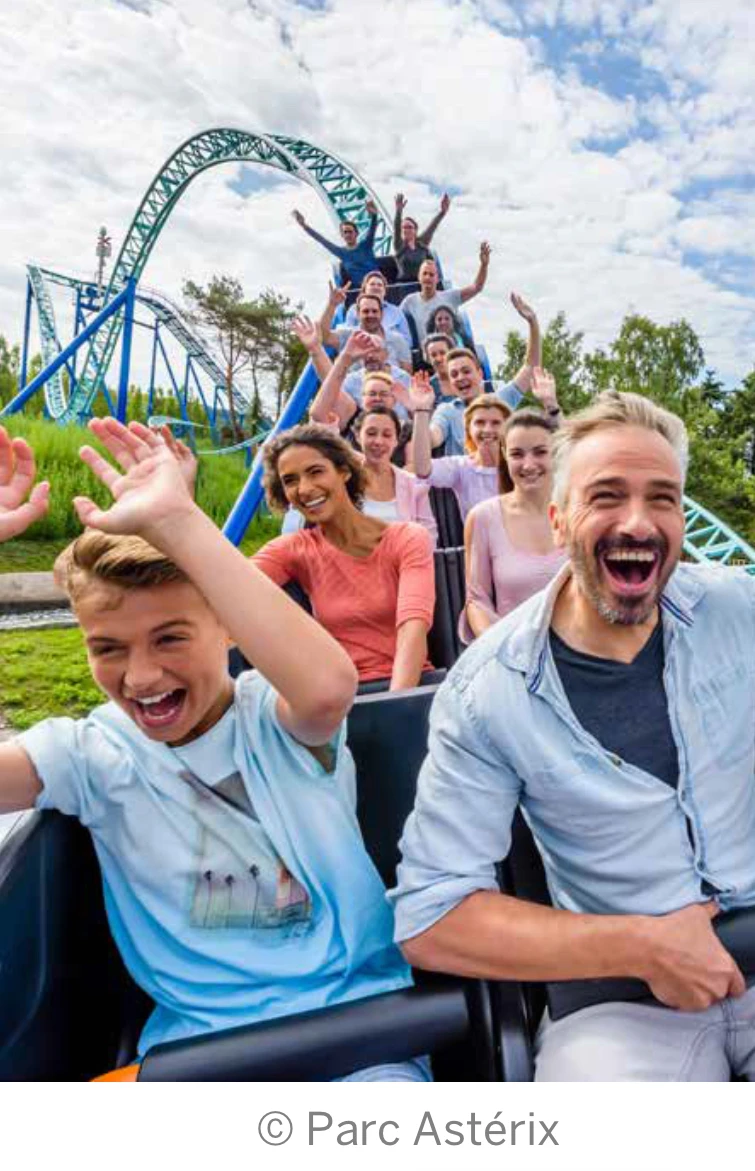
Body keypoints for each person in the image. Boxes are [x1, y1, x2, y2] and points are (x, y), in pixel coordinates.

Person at [0, 421, 429, 1082]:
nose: (140, 676)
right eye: (107, 648)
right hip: (198, 1059)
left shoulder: (273, 718)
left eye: (170, 638)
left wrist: (179, 520)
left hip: (355, 1036)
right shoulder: (89, 753)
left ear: (228, 624)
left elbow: (327, 687)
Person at [391, 389, 755, 1082]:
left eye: (663, 499)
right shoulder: (486, 691)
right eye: (606, 496)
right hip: (619, 1003)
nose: (637, 523)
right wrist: (643, 946)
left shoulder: (736, 611)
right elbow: (432, 917)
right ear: (557, 521)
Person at [255, 424, 436, 691]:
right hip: (340, 695)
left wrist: (396, 704)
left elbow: (413, 627)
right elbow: (225, 584)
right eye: (290, 480)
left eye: (315, 472)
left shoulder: (407, 538)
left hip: (407, 685)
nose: (304, 489)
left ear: (344, 472)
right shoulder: (294, 549)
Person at [461, 403, 566, 642]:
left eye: (540, 452)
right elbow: (477, 601)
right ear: (504, 457)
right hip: (514, 651)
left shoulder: (578, 511)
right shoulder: (483, 518)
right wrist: (500, 648)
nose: (528, 465)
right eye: (517, 454)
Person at [428, 294, 547, 457]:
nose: (460, 377)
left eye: (466, 371)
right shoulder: (447, 411)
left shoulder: (501, 400)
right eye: (454, 374)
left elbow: (531, 367)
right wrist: (420, 413)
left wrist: (532, 322)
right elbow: (433, 438)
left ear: (480, 373)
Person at [411, 382, 511, 521]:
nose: (487, 430)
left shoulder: (519, 464)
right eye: (480, 423)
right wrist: (421, 410)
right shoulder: (461, 467)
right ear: (468, 429)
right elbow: (422, 469)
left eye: (496, 423)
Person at [309, 331, 413, 463]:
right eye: (372, 394)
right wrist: (316, 349)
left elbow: (414, 468)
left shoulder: (406, 430)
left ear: (394, 400)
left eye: (384, 394)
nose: (377, 398)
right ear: (362, 397)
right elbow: (319, 411)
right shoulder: (353, 420)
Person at [355, 405, 437, 545]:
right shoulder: (343, 480)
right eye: (371, 433)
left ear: (396, 441)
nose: (378, 441)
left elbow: (428, 536)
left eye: (387, 435)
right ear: (358, 436)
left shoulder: (413, 485)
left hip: (404, 562)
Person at [399, 249, 489, 344]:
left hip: (449, 348)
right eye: (424, 274)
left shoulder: (450, 296)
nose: (428, 277)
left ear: (437, 278)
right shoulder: (410, 301)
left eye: (431, 275)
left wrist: (484, 265)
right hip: (428, 350)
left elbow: (476, 287)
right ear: (419, 277)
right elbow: (395, 318)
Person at [320, 284, 412, 372]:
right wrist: (332, 304)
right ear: (358, 314)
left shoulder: (398, 340)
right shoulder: (347, 335)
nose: (370, 315)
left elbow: (407, 374)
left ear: (382, 314)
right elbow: (323, 337)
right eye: (366, 311)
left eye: (374, 311)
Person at [291, 202, 381, 288]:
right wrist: (304, 225)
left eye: (350, 232)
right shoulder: (341, 252)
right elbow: (321, 240)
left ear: (356, 233)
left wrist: (374, 215)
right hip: (359, 289)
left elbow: (372, 229)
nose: (348, 235)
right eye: (345, 232)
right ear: (342, 235)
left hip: (376, 284)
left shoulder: (366, 245)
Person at [393, 192, 451, 283]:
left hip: (423, 284)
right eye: (403, 227)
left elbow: (432, 226)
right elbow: (396, 227)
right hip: (405, 286)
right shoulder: (399, 246)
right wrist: (398, 211)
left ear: (415, 230)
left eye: (409, 227)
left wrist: (442, 212)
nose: (406, 230)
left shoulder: (422, 244)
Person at [345, 270, 412, 347]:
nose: (376, 287)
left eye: (379, 285)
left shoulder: (396, 312)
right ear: (364, 289)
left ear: (385, 291)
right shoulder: (353, 310)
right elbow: (348, 338)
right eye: (372, 284)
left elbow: (407, 341)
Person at [422, 333, 454, 403]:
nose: (438, 359)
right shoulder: (428, 387)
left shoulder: (466, 378)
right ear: (428, 359)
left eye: (442, 353)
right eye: (433, 355)